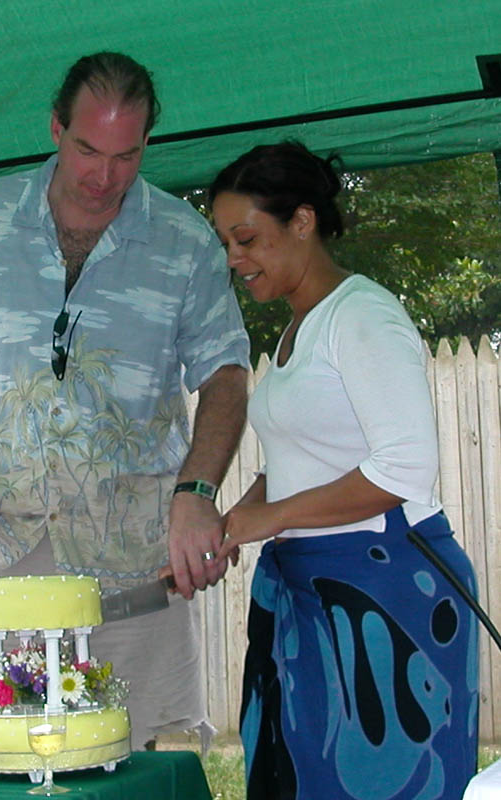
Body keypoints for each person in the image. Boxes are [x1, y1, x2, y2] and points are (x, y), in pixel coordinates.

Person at [0, 51, 249, 750]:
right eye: (88, 150)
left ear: (147, 144)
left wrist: (198, 490)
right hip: (8, 543)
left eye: (126, 156)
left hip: (134, 558)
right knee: (4, 751)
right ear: (56, 129)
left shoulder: (185, 243)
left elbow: (225, 375)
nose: (104, 177)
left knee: (124, 756)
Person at [209, 141, 479, 799]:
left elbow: (403, 469)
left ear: (302, 221)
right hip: (312, 591)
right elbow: (303, 459)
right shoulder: (299, 326)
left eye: (246, 239)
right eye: (225, 243)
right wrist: (240, 516)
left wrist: (270, 517)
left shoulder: (361, 314)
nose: (233, 259)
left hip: (386, 599)